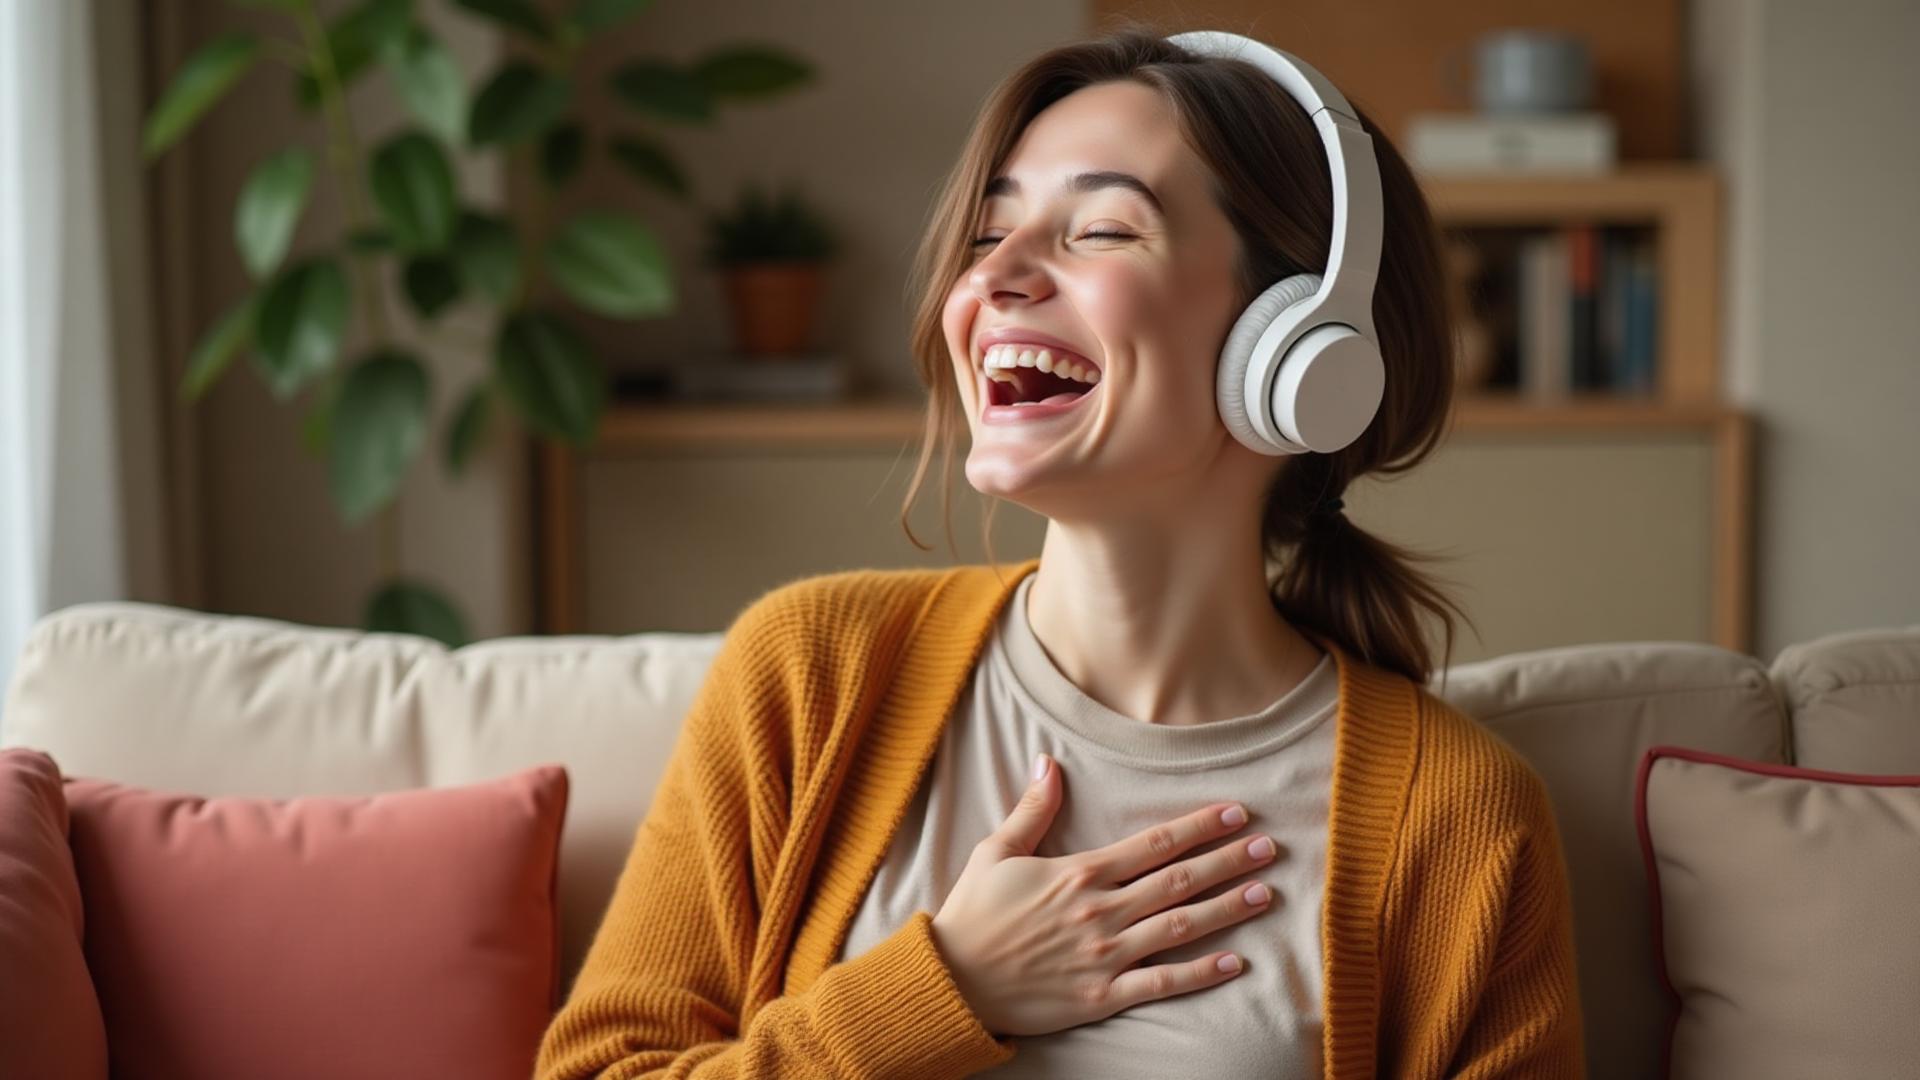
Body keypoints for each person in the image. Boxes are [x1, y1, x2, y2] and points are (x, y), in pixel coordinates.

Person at [535, 21, 1584, 1080]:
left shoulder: (1458, 815)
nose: (996, 276)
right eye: (989, 234)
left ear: (1292, 345)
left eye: (1102, 231)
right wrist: (943, 988)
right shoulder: (810, 671)